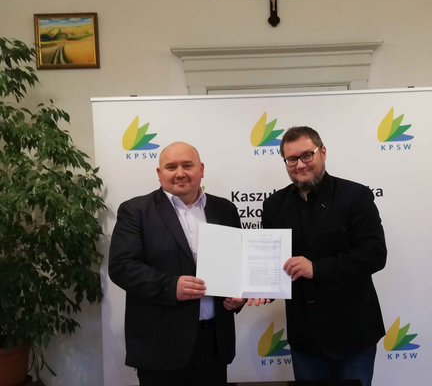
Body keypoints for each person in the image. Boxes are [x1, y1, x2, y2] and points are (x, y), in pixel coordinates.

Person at [109, 142, 246, 385]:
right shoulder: (136, 210)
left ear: (201, 169)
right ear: (159, 173)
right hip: (161, 346)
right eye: (171, 167)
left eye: (187, 165)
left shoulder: (225, 209)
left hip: (214, 343)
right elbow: (122, 266)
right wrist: (170, 286)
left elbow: (238, 264)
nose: (180, 173)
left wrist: (239, 297)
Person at [262, 127, 387, 385]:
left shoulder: (355, 196)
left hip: (353, 332)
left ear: (323, 152)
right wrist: (256, 289)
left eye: (307, 155)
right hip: (304, 337)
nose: (300, 164)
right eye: (291, 159)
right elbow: (271, 263)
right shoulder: (273, 205)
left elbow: (374, 254)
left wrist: (316, 269)